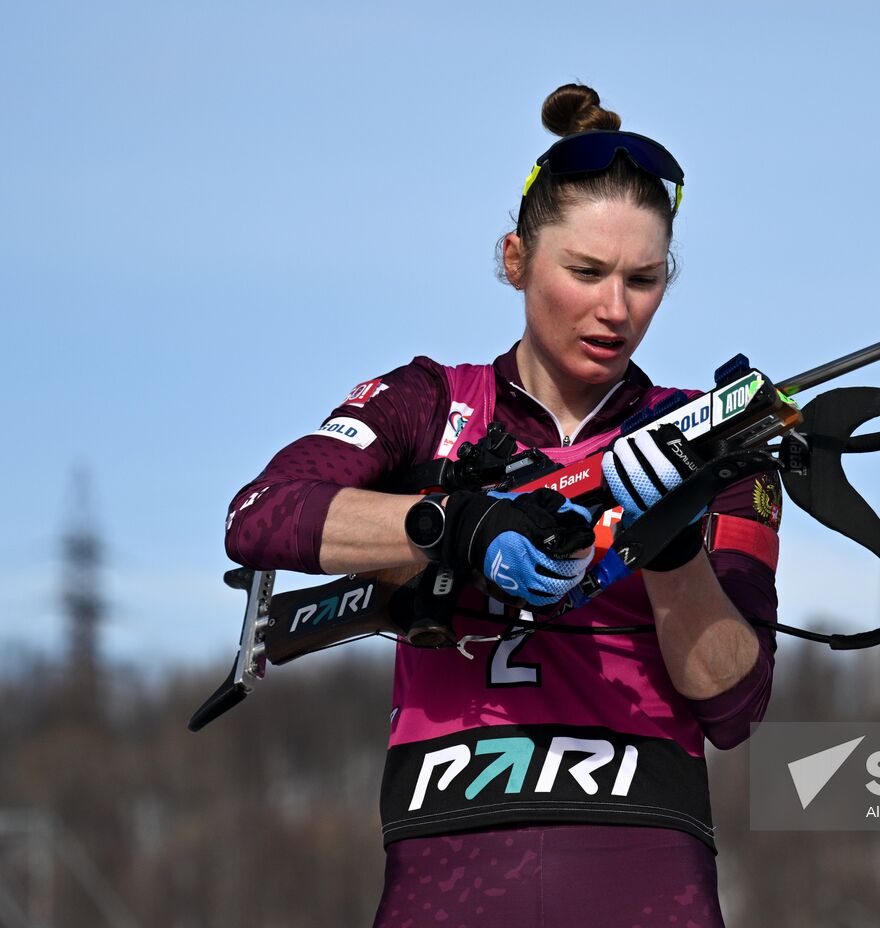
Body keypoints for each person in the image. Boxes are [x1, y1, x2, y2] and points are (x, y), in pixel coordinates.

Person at [223, 83, 782, 928]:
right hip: (448, 862)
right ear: (517, 259)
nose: (615, 309)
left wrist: (669, 549)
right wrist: (453, 526)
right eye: (585, 272)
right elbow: (261, 514)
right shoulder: (429, 402)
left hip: (642, 860)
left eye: (644, 278)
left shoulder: (705, 437)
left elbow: (734, 705)